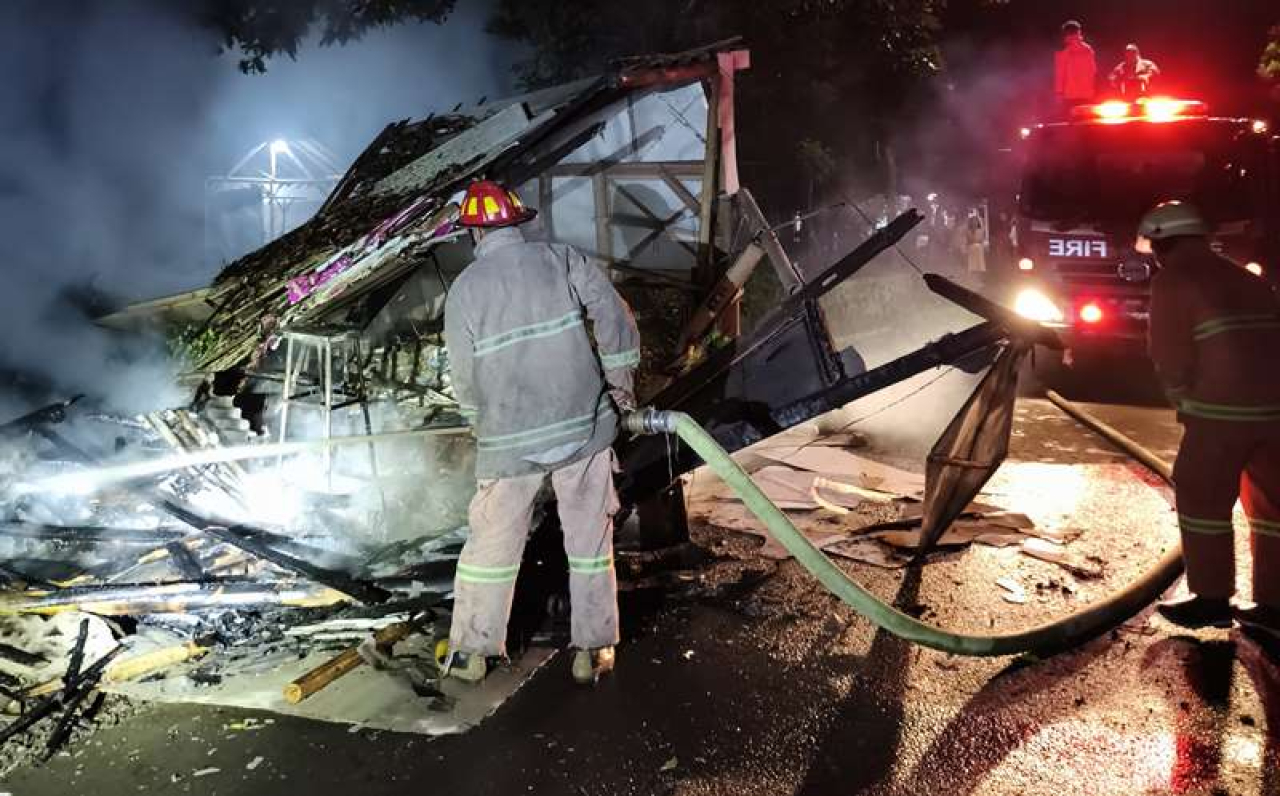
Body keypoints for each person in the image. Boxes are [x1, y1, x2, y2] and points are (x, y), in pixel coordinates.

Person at [442, 180, 641, 685]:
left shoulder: (463, 290)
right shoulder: (561, 259)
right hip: (583, 427)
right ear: (517, 222)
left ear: (473, 233)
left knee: (491, 547)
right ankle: (593, 651)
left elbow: (463, 378)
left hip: (508, 445)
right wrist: (620, 392)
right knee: (589, 543)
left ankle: (471, 653)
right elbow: (615, 319)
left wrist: (480, 424)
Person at [1138, 201, 1280, 637]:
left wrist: (1185, 399)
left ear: (1163, 242)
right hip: (1276, 412)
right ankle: (1274, 607)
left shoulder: (1174, 279)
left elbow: (1169, 354)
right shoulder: (1241, 275)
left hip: (1222, 414)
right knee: (1274, 511)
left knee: (1203, 503)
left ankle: (1212, 600)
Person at [1054, 20, 1098, 115]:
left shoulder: (1063, 51)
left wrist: (1058, 93)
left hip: (1069, 96)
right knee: (1086, 123)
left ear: (1065, 34)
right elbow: (1094, 71)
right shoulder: (1088, 49)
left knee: (1071, 126)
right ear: (1079, 32)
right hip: (1087, 94)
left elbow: (1060, 74)